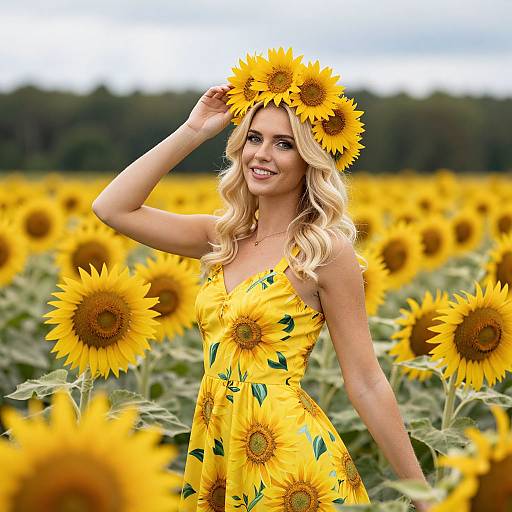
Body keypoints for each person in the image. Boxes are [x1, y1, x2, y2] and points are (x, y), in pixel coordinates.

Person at [92, 49, 432, 511]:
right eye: (254, 138)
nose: (262, 155)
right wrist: (194, 130)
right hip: (217, 448)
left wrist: (422, 496)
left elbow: (367, 381)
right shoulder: (221, 237)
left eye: (284, 143)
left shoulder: (323, 251)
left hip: (287, 460)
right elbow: (112, 208)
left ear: (310, 158)